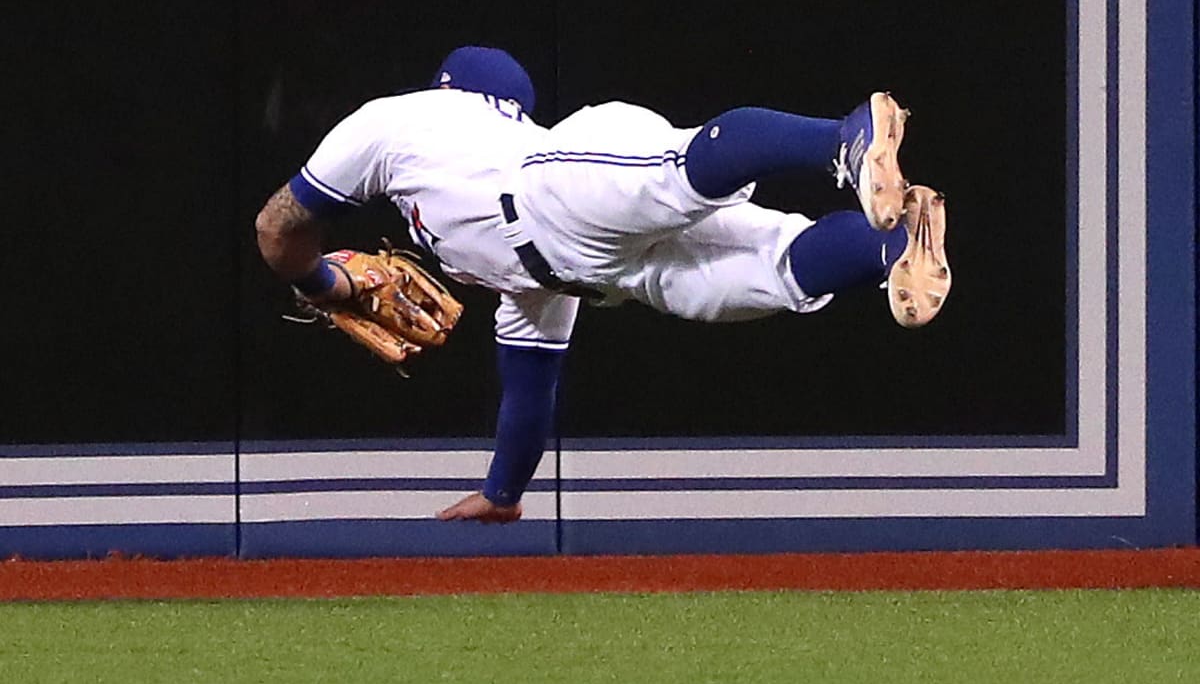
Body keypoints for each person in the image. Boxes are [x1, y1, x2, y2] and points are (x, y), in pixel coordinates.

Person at [255, 46, 950, 524]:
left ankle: (845, 138)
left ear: (449, 88)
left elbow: (275, 228)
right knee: (772, 269)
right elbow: (529, 383)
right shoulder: (522, 287)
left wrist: (322, 283)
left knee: (681, 168)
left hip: (550, 187)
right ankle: (891, 245)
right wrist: (503, 491)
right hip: (595, 270)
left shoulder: (402, 119)